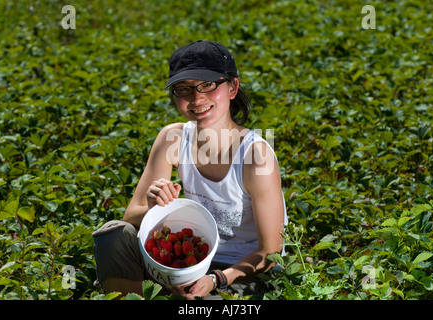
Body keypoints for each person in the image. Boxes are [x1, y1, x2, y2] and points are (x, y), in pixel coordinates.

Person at [92, 40, 287, 299]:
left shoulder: (255, 154)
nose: (196, 99)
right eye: (184, 89)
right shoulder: (172, 138)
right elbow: (131, 218)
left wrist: (216, 280)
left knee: (205, 301)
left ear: (232, 87)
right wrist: (153, 205)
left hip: (242, 271)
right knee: (113, 236)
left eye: (207, 85)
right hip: (186, 261)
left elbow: (270, 252)